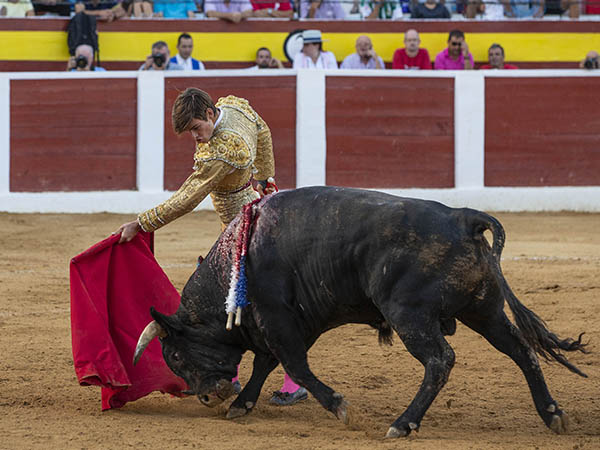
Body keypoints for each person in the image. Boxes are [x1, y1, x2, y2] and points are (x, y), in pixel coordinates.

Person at [115, 88, 308, 406]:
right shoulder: (235, 109)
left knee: (252, 305)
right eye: (189, 132)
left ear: (208, 114)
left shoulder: (219, 151)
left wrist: (142, 223)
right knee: (239, 303)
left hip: (242, 230)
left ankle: (289, 381)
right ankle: (233, 377)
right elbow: (262, 130)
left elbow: (188, 197)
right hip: (252, 215)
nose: (195, 137)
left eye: (195, 128)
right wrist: (265, 177)